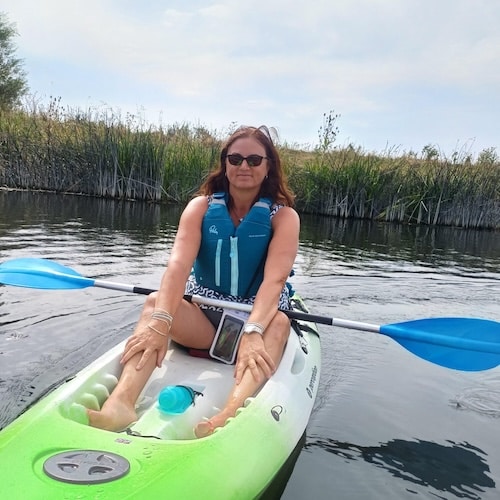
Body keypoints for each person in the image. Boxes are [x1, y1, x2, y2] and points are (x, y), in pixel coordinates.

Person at [87, 125, 300, 437]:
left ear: (268, 167)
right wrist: (161, 321)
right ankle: (120, 403)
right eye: (236, 158)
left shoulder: (284, 218)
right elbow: (178, 265)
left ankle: (228, 414)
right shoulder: (200, 208)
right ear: (225, 163)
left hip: (258, 320)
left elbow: (276, 279)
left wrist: (254, 330)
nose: (244, 166)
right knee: (153, 303)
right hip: (207, 316)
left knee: (280, 323)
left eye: (254, 160)